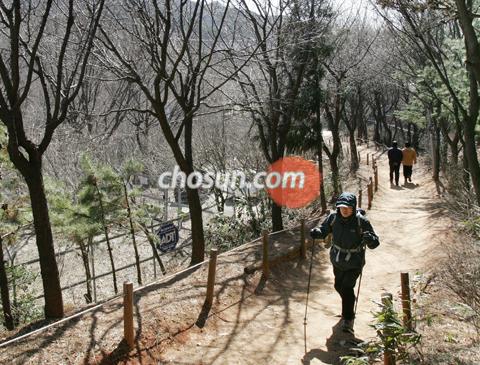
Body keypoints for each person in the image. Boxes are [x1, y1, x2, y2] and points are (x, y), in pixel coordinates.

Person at [310, 192, 380, 333]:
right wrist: (317, 232)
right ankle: (349, 302)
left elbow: (375, 242)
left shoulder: (362, 221)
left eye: (348, 207)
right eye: (342, 207)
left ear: (353, 207)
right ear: (338, 208)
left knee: (347, 287)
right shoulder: (333, 218)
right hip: (337, 259)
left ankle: (348, 318)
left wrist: (370, 239)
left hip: (355, 261)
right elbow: (324, 230)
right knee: (338, 286)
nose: (345, 209)